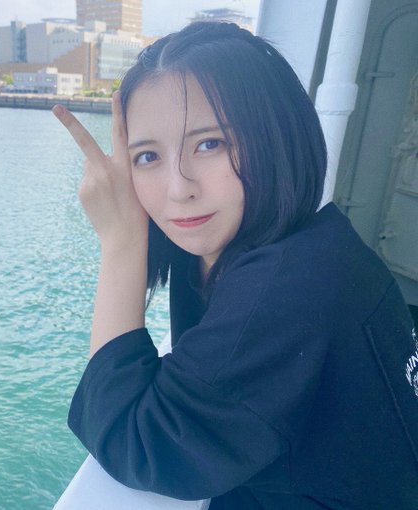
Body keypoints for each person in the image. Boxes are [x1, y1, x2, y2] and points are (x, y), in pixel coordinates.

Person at [52, 21, 418, 509]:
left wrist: (120, 241)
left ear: (277, 136)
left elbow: (134, 441)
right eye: (147, 156)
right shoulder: (293, 245)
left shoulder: (290, 289)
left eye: (210, 144)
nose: (178, 188)